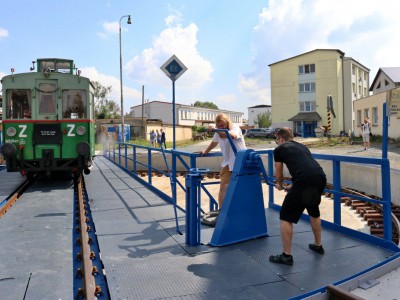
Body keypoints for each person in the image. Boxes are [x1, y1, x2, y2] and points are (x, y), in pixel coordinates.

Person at [269, 127, 327, 266]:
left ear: (281, 139)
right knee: (313, 210)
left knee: (286, 216)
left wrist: (280, 184)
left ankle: (286, 256)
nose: (277, 142)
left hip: (304, 181)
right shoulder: (302, 146)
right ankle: (318, 245)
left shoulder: (279, 149)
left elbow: (279, 172)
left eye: (277, 139)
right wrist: (294, 186)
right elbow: (304, 166)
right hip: (319, 177)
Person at [200, 113, 247, 226]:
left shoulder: (234, 128)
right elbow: (214, 142)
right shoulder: (218, 131)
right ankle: (223, 213)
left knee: (241, 189)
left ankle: (241, 213)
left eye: (222, 125)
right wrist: (206, 151)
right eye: (219, 126)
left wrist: (215, 129)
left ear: (227, 123)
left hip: (240, 162)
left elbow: (232, 136)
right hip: (228, 163)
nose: (221, 128)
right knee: (223, 187)